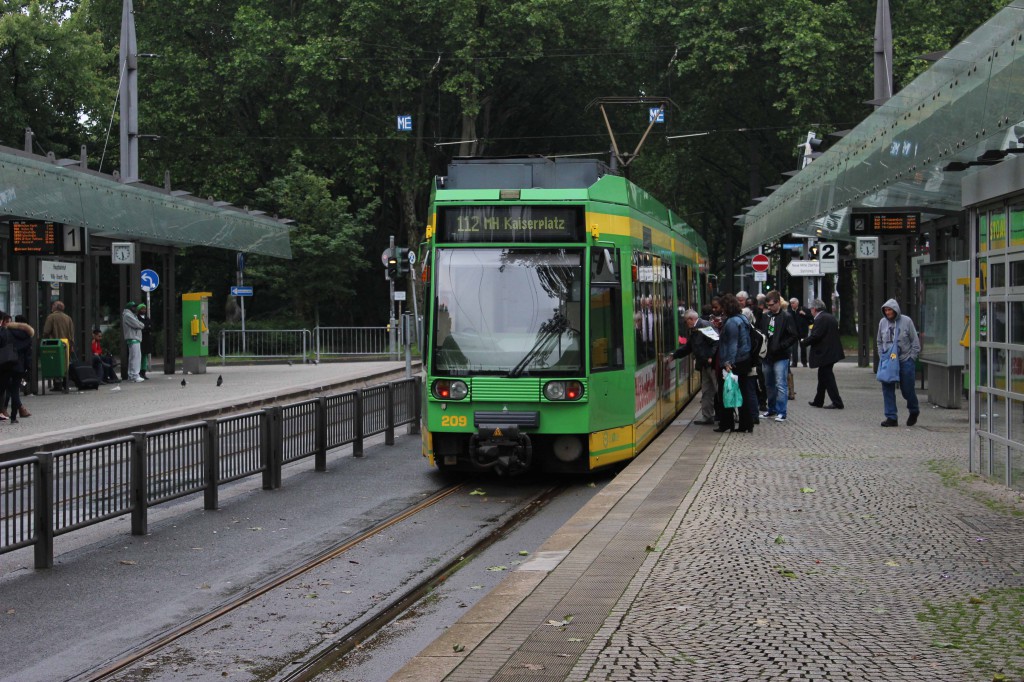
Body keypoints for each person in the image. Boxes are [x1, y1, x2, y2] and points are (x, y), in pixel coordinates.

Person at [876, 298, 921, 427]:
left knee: (907, 390)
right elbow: (879, 341)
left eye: (890, 310)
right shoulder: (882, 323)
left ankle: (914, 409)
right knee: (887, 388)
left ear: (895, 310)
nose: (888, 312)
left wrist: (912, 357)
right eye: (886, 310)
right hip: (888, 361)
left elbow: (915, 342)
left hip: (905, 360)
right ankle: (891, 417)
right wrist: (883, 356)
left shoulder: (907, 321)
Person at [714, 294, 755, 433]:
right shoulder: (742, 318)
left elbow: (732, 344)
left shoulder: (732, 322)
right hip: (744, 359)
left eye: (722, 307)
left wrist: (728, 362)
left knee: (726, 391)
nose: (721, 310)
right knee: (743, 392)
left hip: (735, 362)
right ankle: (746, 424)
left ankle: (727, 423)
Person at [669, 309, 718, 425]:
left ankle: (730, 416)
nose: (685, 325)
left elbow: (716, 342)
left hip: (711, 364)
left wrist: (711, 357)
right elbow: (689, 346)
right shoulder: (695, 329)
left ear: (691, 319)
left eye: (685, 322)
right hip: (704, 364)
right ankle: (707, 416)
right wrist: (675, 355)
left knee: (718, 389)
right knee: (707, 391)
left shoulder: (704, 326)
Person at [758, 291, 799, 422]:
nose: (769, 307)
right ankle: (772, 409)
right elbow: (761, 332)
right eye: (768, 305)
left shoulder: (786, 316)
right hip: (767, 355)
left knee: (780, 384)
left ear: (778, 303)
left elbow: (793, 335)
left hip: (781, 355)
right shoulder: (766, 316)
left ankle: (781, 411)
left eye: (771, 305)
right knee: (768, 384)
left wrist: (781, 345)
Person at [802, 299, 845, 409]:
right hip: (831, 352)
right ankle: (818, 400)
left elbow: (816, 335)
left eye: (811, 309)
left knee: (827, 377)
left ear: (814, 309)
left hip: (826, 353)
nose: (810, 311)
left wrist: (804, 341)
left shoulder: (820, 319)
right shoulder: (829, 317)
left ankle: (837, 402)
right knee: (822, 376)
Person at [0, 313, 34, 422]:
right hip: (19, 367)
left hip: (7, 364)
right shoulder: (27, 336)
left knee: (2, 389)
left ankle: (3, 410)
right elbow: (28, 355)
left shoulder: (7, 332)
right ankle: (14, 417)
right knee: (15, 390)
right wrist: (28, 368)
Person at [42, 299, 74, 392]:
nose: (51, 307)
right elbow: (72, 333)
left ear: (55, 307)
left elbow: (46, 331)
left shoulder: (51, 317)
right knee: (64, 364)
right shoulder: (68, 318)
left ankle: (57, 385)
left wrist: (44, 339)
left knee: (54, 364)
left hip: (54, 345)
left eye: (52, 306)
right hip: (66, 345)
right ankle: (65, 383)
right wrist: (71, 345)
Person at [122, 302, 146, 383]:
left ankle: (132, 375)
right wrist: (141, 325)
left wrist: (140, 324)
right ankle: (135, 375)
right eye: (133, 307)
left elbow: (138, 323)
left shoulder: (131, 315)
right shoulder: (128, 315)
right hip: (133, 338)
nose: (135, 308)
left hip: (134, 338)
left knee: (133, 358)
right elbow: (137, 324)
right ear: (130, 307)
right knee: (136, 358)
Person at [789, 297, 812, 367]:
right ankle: (794, 362)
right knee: (794, 348)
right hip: (793, 333)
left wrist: (804, 314)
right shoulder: (789, 311)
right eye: (791, 303)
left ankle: (804, 362)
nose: (792, 305)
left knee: (803, 347)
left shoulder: (803, 309)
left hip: (802, 332)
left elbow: (811, 318)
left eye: (793, 303)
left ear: (797, 303)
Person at [137, 303, 155, 379]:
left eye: (144, 309)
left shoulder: (147, 318)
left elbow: (151, 327)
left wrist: (145, 327)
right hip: (140, 339)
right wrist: (147, 327)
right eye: (142, 309)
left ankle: (143, 372)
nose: (143, 310)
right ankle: (139, 372)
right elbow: (141, 327)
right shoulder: (137, 318)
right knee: (139, 356)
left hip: (147, 339)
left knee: (145, 356)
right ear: (139, 310)